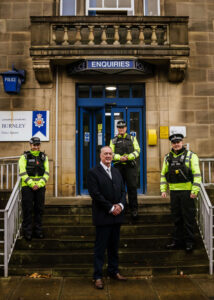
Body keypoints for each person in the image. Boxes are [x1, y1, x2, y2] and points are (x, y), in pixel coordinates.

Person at [87, 146, 127, 290]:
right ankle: (97, 276)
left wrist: (121, 206)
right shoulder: (93, 172)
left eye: (110, 154)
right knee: (100, 248)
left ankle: (113, 271)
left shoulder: (116, 171)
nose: (108, 156)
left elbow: (123, 190)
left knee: (114, 247)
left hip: (117, 217)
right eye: (106, 154)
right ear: (100, 156)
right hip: (103, 216)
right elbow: (95, 194)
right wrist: (111, 208)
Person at [160, 133, 201, 252]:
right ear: (171, 144)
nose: (176, 144)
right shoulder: (167, 157)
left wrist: (195, 190)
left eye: (178, 142)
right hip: (174, 192)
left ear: (182, 142)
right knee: (176, 218)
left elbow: (197, 175)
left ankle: (189, 242)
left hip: (187, 192)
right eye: (174, 142)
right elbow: (163, 174)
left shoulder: (191, 156)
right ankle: (177, 241)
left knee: (188, 218)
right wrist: (163, 190)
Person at [19, 137, 49, 241]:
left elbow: (47, 173)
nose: (36, 147)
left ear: (40, 145)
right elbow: (22, 172)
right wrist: (32, 184)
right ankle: (27, 232)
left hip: (40, 187)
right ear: (30, 145)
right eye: (34, 145)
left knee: (39, 209)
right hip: (27, 187)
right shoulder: (24, 157)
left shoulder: (44, 157)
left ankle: (38, 231)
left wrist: (40, 184)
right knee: (27, 209)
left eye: (38, 145)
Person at [110, 120, 140, 219]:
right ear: (117, 129)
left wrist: (129, 157)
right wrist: (119, 158)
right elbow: (111, 153)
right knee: (119, 189)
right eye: (119, 127)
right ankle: (122, 208)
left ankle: (134, 209)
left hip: (130, 167)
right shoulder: (113, 140)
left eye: (123, 127)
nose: (121, 129)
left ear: (126, 128)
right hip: (119, 167)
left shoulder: (132, 138)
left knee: (132, 188)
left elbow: (137, 151)